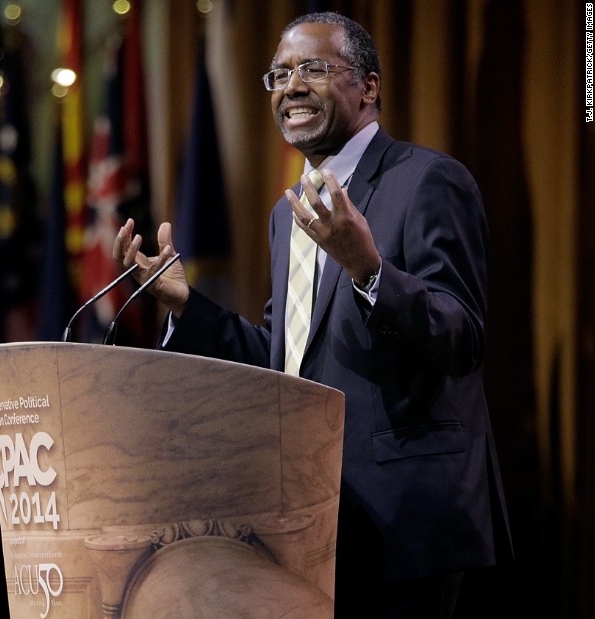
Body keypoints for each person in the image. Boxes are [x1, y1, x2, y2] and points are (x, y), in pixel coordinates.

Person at [113, 11, 513, 618]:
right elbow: (286, 361)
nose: (291, 86)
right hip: (311, 518)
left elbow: (463, 336)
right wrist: (186, 305)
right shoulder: (291, 212)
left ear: (368, 87)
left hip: (406, 528)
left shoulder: (428, 180)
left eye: (313, 69)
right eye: (279, 74)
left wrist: (369, 269)